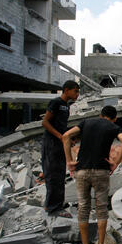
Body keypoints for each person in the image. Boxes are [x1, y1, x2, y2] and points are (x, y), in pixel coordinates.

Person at [62, 106, 122, 244]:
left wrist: (69, 161)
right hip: (101, 171)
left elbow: (66, 136)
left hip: (82, 171)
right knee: (101, 208)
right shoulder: (114, 126)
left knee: (83, 208)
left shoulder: (86, 122)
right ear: (114, 118)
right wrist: (116, 163)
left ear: (100, 115)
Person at [41, 80, 80, 218]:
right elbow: (45, 122)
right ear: (67, 90)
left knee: (59, 174)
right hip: (51, 143)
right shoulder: (56, 103)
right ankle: (53, 208)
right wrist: (60, 136)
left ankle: (56, 203)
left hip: (60, 143)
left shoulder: (66, 106)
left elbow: (62, 127)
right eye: (75, 91)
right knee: (53, 174)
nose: (77, 94)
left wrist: (70, 138)